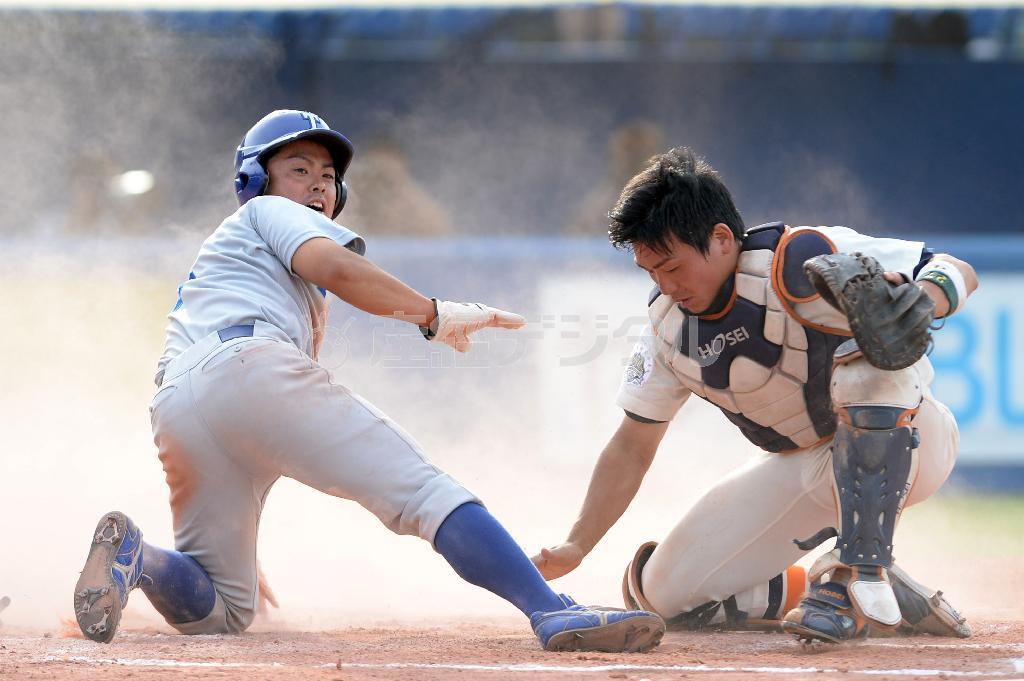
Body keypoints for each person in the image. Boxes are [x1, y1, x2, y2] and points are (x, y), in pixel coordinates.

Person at [73, 109, 665, 653]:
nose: (317, 185)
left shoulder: (239, 259)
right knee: (426, 494)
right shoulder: (267, 213)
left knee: (224, 610)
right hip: (245, 367)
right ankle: (550, 607)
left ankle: (139, 557)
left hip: (179, 403)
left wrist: (237, 524)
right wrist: (434, 314)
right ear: (257, 182)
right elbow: (336, 269)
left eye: (327, 175)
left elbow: (242, 411)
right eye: (297, 169)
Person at [533, 146, 977, 643]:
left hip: (914, 439)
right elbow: (631, 446)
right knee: (660, 596)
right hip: (809, 469)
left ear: (722, 239)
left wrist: (925, 298)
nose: (664, 283)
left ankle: (859, 572)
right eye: (650, 272)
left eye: (672, 267)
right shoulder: (668, 332)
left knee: (865, 357)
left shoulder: (802, 257)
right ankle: (883, 596)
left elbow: (954, 266)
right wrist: (576, 544)